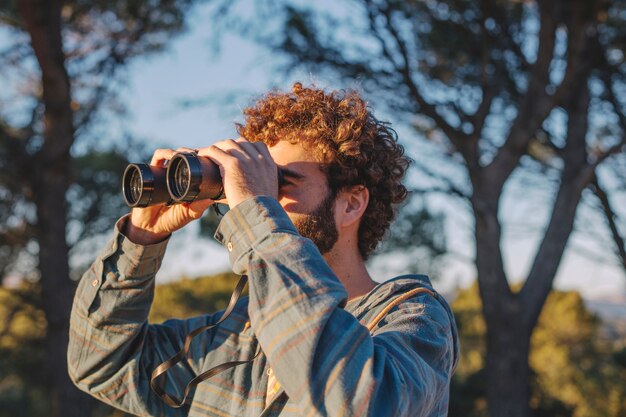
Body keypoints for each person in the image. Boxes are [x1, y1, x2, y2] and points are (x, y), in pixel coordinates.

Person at [68, 82, 459, 417]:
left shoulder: (412, 317)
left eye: (279, 182)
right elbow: (98, 363)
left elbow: (354, 402)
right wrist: (142, 240)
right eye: (254, 181)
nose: (259, 198)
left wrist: (257, 214)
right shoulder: (230, 340)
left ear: (351, 204)